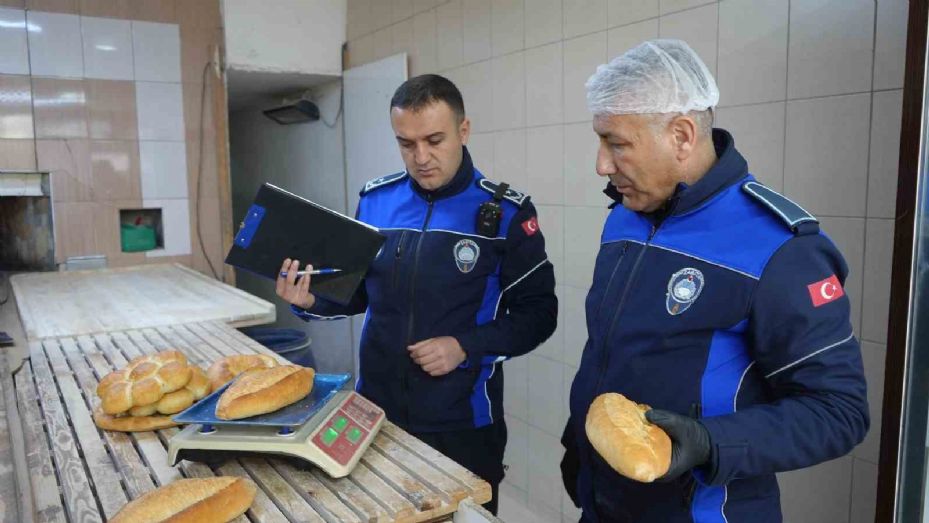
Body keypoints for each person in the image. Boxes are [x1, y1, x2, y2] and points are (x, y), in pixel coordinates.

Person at [560, 39, 869, 522]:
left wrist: (710, 444)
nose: (602, 164)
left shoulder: (781, 247)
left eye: (617, 143)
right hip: (608, 500)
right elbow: (614, 348)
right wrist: (579, 435)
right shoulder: (626, 216)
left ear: (681, 135)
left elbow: (839, 412)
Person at [276, 74, 558, 514]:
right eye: (406, 143)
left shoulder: (505, 213)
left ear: (463, 131)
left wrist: (465, 346)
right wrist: (310, 300)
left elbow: (540, 314)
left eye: (434, 139)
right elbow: (357, 293)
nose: (421, 157)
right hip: (375, 411)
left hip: (462, 422)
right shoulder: (375, 201)